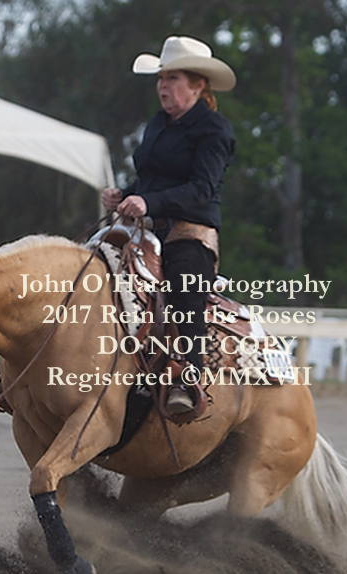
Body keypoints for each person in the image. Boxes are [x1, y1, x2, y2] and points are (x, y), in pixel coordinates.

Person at [101, 36, 236, 416]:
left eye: (172, 78)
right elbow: (151, 179)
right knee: (88, 265)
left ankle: (187, 378)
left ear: (198, 85)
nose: (162, 86)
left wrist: (148, 202)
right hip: (145, 229)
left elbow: (202, 188)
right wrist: (126, 194)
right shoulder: (158, 124)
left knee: (184, 289)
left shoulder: (214, 129)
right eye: (161, 78)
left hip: (189, 231)